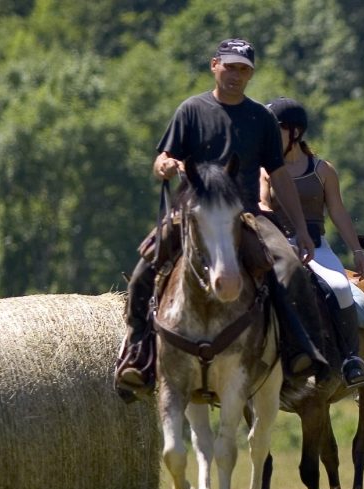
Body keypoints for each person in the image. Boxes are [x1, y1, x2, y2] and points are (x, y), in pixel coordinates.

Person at [114, 38, 330, 400]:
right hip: (193, 213)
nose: (236, 75)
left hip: (245, 214)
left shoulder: (261, 117)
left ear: (251, 74)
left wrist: (301, 230)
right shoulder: (191, 110)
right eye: (230, 66)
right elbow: (161, 160)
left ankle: (299, 354)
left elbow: (278, 176)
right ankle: (139, 354)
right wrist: (165, 165)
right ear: (215, 65)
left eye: (243, 69)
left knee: (291, 268)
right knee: (142, 272)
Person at [259, 96, 364, 388]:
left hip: (317, 248)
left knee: (339, 287)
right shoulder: (265, 170)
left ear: (294, 132)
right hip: (279, 247)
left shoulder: (323, 170)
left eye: (276, 130)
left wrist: (357, 250)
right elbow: (263, 205)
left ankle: (350, 358)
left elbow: (338, 212)